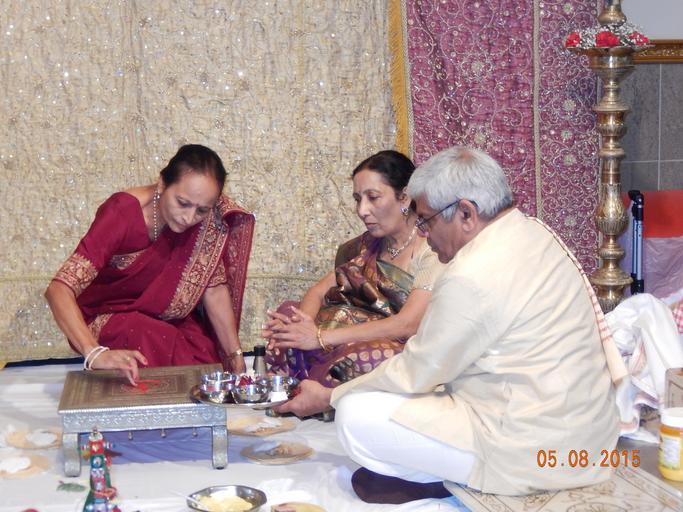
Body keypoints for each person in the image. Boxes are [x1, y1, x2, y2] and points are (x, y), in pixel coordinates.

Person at [277, 146, 620, 496]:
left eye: (426, 220)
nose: (424, 233)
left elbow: (416, 371)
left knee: (355, 413)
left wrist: (330, 397)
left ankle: (443, 480)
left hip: (533, 446)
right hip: (589, 434)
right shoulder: (533, 230)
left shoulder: (471, 273)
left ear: (466, 214)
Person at [45, 144, 254, 385]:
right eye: (182, 203)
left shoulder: (208, 223)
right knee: (152, 338)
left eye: (202, 210)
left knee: (201, 350)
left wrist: (235, 357)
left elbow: (214, 289)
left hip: (164, 315)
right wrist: (94, 353)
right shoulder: (122, 213)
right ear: (162, 184)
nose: (189, 218)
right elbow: (58, 290)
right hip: (108, 315)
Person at [263, 150, 444, 386]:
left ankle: (320, 392)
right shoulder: (366, 245)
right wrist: (301, 326)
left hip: (398, 348)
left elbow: (406, 325)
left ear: (405, 197)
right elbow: (318, 291)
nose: (362, 210)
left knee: (362, 355)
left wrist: (320, 337)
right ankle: (295, 389)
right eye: (358, 199)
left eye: (373, 197)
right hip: (346, 335)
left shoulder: (432, 248)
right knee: (288, 314)